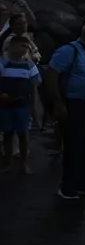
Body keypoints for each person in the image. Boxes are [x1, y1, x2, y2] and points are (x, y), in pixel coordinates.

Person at [44, 19, 85, 199]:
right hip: (75, 105)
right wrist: (58, 102)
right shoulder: (69, 51)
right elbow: (51, 74)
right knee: (75, 147)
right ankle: (68, 187)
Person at [0, 36, 43, 174]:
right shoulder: (2, 64)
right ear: (11, 47)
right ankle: (8, 161)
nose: (25, 49)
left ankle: (23, 163)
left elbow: (34, 90)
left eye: (27, 47)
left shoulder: (30, 66)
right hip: (5, 106)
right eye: (22, 46)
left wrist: (35, 108)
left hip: (22, 107)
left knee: (23, 135)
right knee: (7, 134)